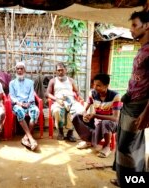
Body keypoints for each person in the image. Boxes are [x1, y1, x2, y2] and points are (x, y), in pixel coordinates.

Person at [111, 10, 149, 187]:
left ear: (146, 26)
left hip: (139, 107)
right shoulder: (142, 49)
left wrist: (147, 113)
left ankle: (132, 182)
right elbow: (138, 78)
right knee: (126, 144)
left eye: (135, 25)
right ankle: (123, 179)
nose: (131, 29)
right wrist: (126, 95)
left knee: (127, 147)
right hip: (130, 102)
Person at [72, 74, 122, 158]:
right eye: (94, 84)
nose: (95, 87)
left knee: (105, 123)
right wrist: (84, 115)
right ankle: (88, 141)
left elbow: (115, 118)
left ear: (106, 85)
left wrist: (95, 115)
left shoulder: (115, 96)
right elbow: (84, 109)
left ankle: (107, 147)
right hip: (96, 120)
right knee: (77, 116)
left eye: (98, 85)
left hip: (111, 124)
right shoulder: (92, 93)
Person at [46, 62, 84, 142]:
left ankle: (70, 133)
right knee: (56, 111)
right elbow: (47, 93)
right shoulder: (53, 81)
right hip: (58, 101)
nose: (60, 72)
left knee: (79, 111)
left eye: (62, 70)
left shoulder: (71, 80)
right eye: (58, 70)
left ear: (65, 70)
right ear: (56, 71)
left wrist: (79, 96)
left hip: (71, 101)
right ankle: (60, 132)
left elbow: (76, 91)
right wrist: (56, 99)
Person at [9, 61, 39, 151]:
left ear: (24, 70)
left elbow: (31, 95)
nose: (19, 70)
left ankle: (25, 138)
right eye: (17, 69)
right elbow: (12, 96)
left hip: (29, 103)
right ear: (16, 70)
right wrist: (20, 104)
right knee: (20, 111)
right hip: (18, 104)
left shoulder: (30, 82)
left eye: (21, 68)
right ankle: (31, 138)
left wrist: (28, 103)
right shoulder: (12, 83)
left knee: (35, 111)